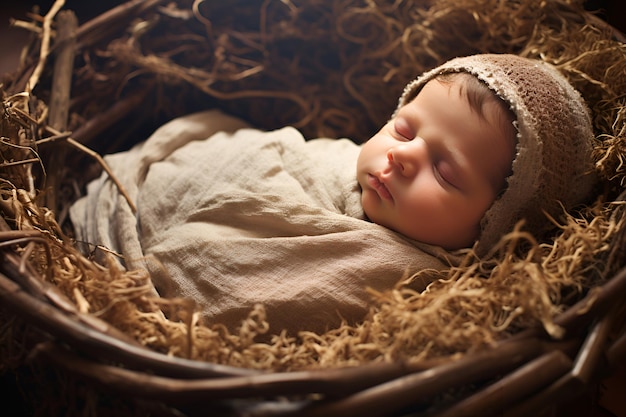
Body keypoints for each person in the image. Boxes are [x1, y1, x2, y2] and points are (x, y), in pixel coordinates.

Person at [70, 54, 596, 334]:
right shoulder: (339, 159)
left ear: (496, 225)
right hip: (140, 193)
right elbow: (271, 157)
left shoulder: (416, 283)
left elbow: (263, 297)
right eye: (405, 130)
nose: (403, 156)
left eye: (446, 172)